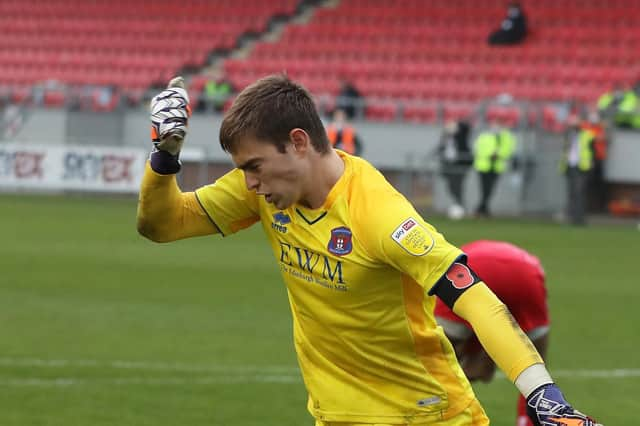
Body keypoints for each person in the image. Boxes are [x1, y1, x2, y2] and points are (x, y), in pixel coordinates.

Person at [137, 74, 600, 426]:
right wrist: (164, 156)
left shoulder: (379, 214)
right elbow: (161, 224)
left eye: (255, 166)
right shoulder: (260, 192)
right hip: (336, 416)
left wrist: (542, 394)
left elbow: (471, 294)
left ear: (298, 143)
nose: (250, 182)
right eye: (244, 171)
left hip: (424, 416)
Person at [434, 240, 550, 426]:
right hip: (527, 274)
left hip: (470, 270)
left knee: (434, 361)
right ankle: (527, 421)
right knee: (536, 368)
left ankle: (434, 416)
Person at [472, 117, 517, 217]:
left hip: (496, 166)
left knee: (490, 189)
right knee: (485, 189)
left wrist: (499, 154)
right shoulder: (484, 136)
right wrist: (490, 154)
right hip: (483, 166)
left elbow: (508, 149)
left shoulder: (506, 137)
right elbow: (478, 149)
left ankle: (482, 209)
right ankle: (483, 209)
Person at [560, 114, 596, 225]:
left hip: (582, 167)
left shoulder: (587, 135)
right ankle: (572, 217)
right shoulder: (569, 135)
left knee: (579, 192)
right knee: (572, 193)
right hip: (570, 166)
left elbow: (592, 151)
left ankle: (579, 218)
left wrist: (590, 165)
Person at [437, 119, 473, 218]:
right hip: (448, 165)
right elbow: (441, 147)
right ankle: (458, 204)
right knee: (451, 187)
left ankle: (460, 205)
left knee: (458, 186)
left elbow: (466, 128)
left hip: (459, 164)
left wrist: (457, 124)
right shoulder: (445, 137)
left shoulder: (461, 135)